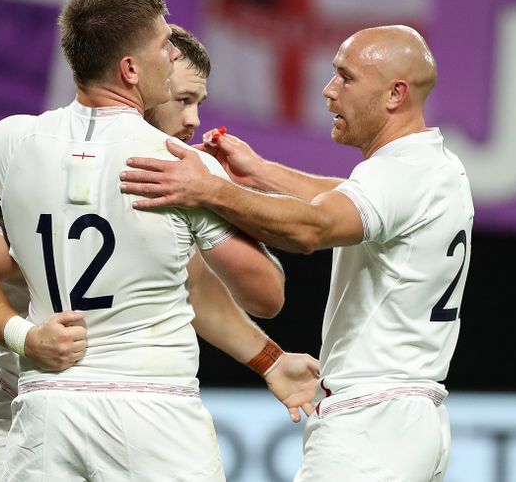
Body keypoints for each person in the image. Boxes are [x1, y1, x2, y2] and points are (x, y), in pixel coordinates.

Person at [0, 23, 320, 482]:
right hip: (33, 392)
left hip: (62, 402)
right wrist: (26, 337)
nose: (193, 120)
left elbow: (197, 291)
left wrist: (271, 360)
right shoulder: (37, 157)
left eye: (199, 103)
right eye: (183, 98)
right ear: (141, 80)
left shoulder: (150, 175)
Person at [120, 25, 473, 482]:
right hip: (415, 420)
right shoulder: (437, 166)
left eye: (346, 77)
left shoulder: (399, 174)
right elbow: (346, 198)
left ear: (395, 94)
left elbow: (313, 228)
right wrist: (260, 174)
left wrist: (210, 190)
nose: (328, 90)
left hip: (371, 424)